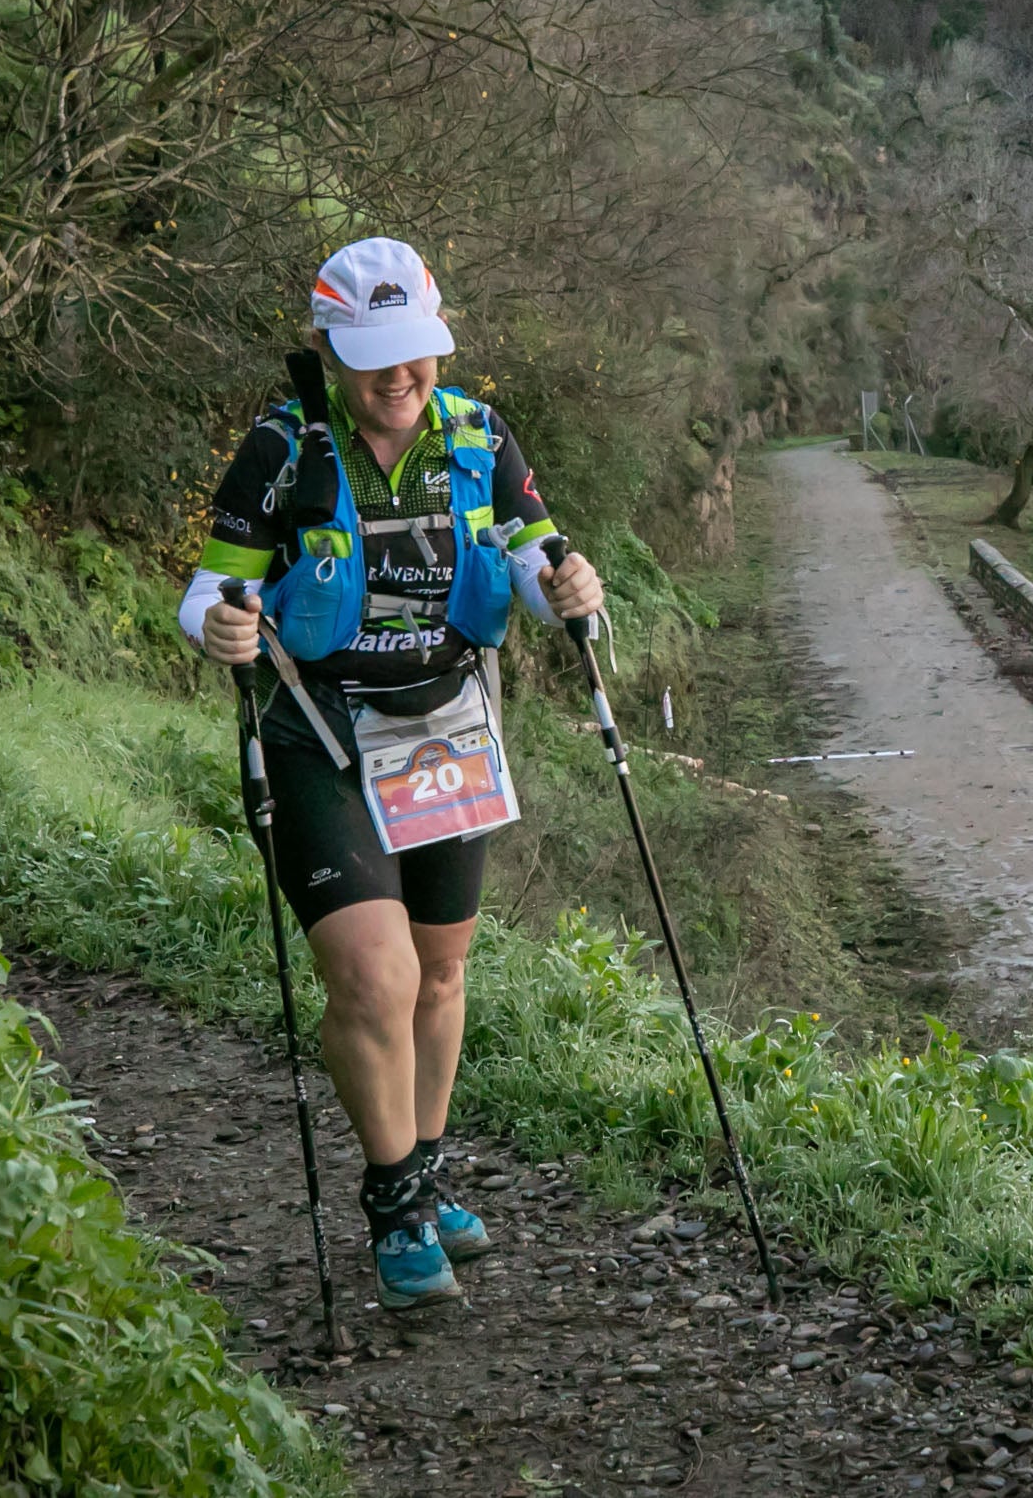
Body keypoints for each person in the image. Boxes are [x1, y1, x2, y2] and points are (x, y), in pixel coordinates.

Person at [179, 236, 603, 1310]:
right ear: (331, 351)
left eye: (414, 352)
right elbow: (207, 591)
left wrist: (569, 588)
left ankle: (428, 1167)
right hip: (316, 732)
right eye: (373, 359)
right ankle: (395, 1205)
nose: (399, 377)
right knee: (376, 977)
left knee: (441, 972)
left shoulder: (479, 435)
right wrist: (218, 627)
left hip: (443, 728)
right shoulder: (284, 449)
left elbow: (532, 557)